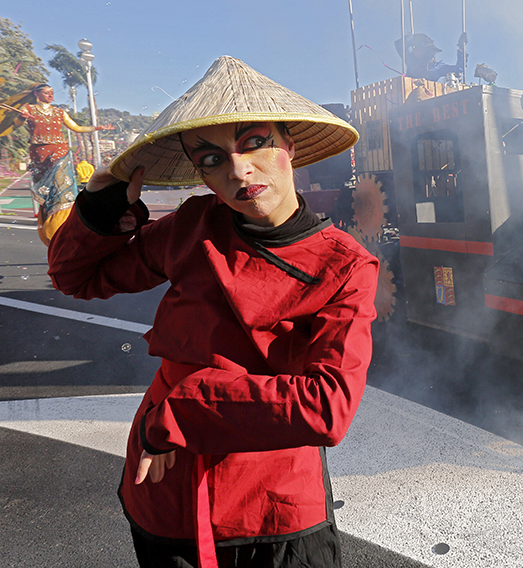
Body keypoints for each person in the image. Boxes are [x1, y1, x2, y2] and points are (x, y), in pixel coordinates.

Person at [46, 56, 378, 568]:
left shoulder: (344, 264)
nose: (239, 170)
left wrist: (180, 409)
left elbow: (326, 407)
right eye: (211, 158)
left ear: (289, 146)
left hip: (274, 504)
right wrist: (98, 208)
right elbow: (77, 278)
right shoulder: (193, 225)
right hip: (165, 494)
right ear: (201, 174)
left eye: (255, 143)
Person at [13, 83, 111, 244]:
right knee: (47, 191)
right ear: (37, 94)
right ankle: (50, 226)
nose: (51, 95)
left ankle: (63, 223)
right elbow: (17, 124)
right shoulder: (28, 109)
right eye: (46, 92)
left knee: (62, 187)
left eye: (52, 92)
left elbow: (76, 128)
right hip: (39, 154)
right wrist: (22, 117)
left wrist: (97, 128)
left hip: (59, 150)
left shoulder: (59, 112)